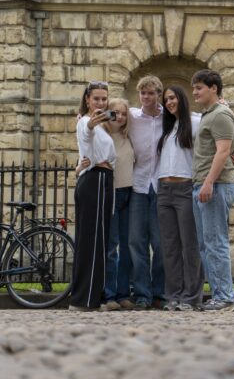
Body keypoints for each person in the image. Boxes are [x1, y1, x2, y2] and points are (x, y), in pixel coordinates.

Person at [191, 69, 234, 312]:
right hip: (204, 184)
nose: (195, 92)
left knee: (215, 243)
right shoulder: (210, 114)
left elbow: (223, 151)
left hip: (215, 186)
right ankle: (220, 295)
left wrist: (209, 182)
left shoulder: (220, 115)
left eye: (199, 87)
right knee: (206, 244)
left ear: (213, 88)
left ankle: (225, 297)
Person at [156, 86, 205, 311]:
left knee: (190, 246)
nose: (169, 102)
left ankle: (191, 297)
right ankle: (173, 296)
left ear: (181, 98)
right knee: (170, 247)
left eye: (172, 97)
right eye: (166, 99)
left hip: (185, 188)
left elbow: (215, 134)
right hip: (163, 191)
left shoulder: (195, 122)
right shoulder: (166, 127)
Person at [71, 81, 115, 311]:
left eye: (104, 99)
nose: (100, 102)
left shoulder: (103, 127)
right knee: (92, 241)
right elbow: (85, 131)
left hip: (102, 179)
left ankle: (90, 297)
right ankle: (85, 299)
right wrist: (90, 122)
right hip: (95, 179)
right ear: (87, 99)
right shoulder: (84, 122)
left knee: (98, 240)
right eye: (96, 98)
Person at [127, 76, 166, 310]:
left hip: (161, 186)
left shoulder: (169, 117)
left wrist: (223, 105)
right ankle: (141, 293)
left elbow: (198, 120)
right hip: (138, 185)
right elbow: (109, 116)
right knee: (135, 242)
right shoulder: (132, 117)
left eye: (150, 93)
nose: (146, 97)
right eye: (143, 93)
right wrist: (84, 118)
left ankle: (159, 292)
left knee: (161, 243)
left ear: (158, 94)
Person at [100, 98, 135, 311]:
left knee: (127, 246)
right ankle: (109, 294)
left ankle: (124, 293)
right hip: (110, 193)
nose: (119, 117)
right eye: (115, 112)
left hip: (129, 193)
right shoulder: (101, 135)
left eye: (123, 113)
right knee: (111, 247)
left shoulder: (127, 135)